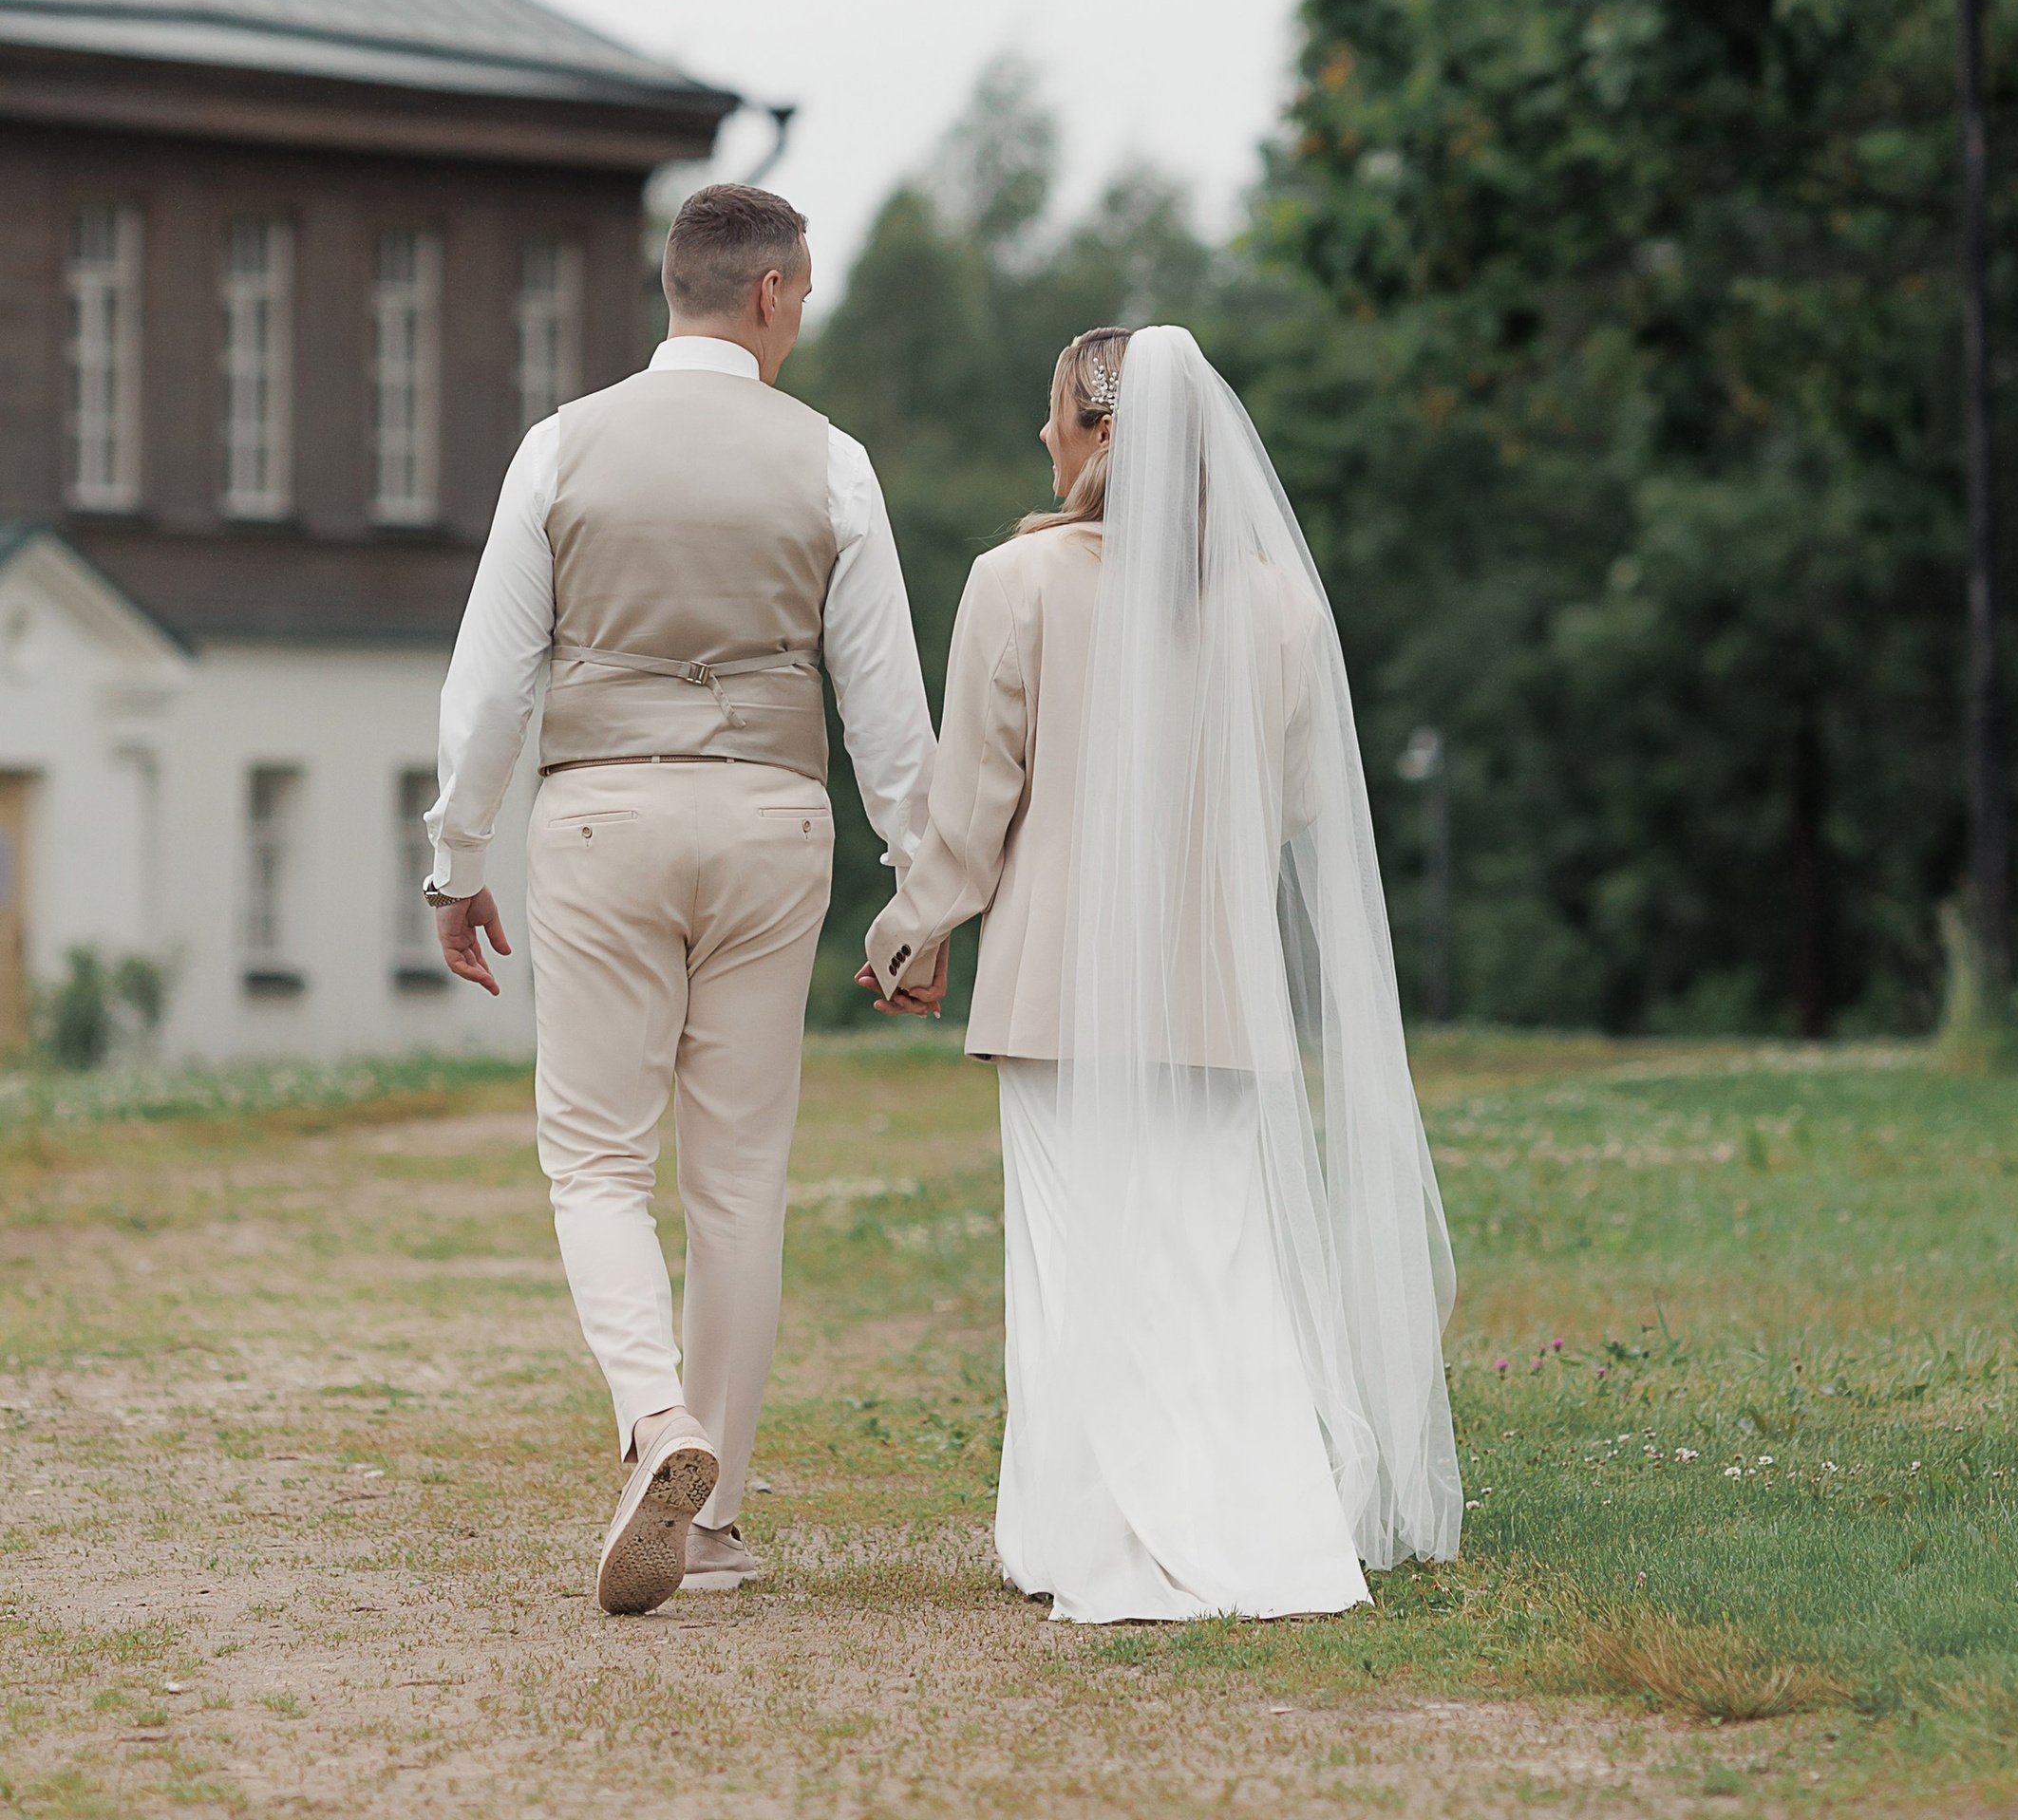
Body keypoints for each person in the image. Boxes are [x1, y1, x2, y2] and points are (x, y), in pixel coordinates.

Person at [861, 323, 1462, 1621]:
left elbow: (972, 806)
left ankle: (1088, 1536)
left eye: (1056, 413)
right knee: (1213, 1266)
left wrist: (912, 933)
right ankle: (1260, 1524)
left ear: (1105, 432)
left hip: (1058, 988)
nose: (1041, 435)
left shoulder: (1015, 584)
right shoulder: (1284, 608)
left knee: (1076, 1264)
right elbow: (1300, 806)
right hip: (1218, 990)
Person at [424, 181, 939, 1615]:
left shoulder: (559, 448)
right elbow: (887, 710)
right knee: (739, 1179)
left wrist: (454, 861)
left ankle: (660, 1423)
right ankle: (710, 1529)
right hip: (774, 819)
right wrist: (927, 895)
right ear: (771, 295)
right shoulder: (832, 463)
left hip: (603, 814)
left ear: (678, 287)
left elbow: (490, 685)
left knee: (595, 1160)